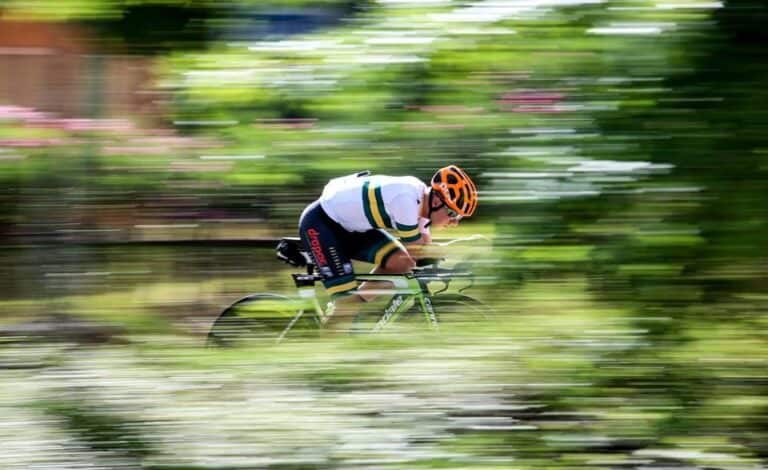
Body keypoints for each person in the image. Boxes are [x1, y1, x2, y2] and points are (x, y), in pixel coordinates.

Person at [298, 165, 478, 331]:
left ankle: (349, 307)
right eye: (453, 213)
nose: (454, 222)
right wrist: (462, 247)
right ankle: (331, 335)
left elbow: (423, 254)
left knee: (401, 264)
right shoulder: (406, 201)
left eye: (459, 218)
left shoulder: (423, 205)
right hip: (321, 226)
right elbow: (417, 251)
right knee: (346, 310)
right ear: (437, 201)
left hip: (351, 228)